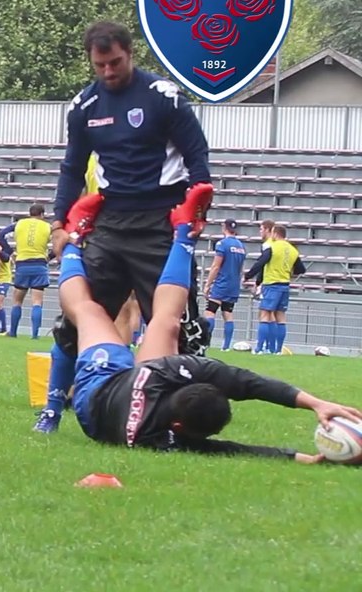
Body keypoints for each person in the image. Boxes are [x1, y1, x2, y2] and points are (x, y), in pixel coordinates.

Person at [63, 188, 359, 461]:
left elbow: (242, 399)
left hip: (98, 393)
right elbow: (232, 431)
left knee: (89, 311)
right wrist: (306, 436)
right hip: (133, 386)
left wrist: (314, 407)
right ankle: (184, 232)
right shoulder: (161, 432)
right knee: (167, 324)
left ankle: (73, 240)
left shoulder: (160, 403)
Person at [51, 21, 213, 352]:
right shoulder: (83, 107)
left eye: (115, 62)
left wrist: (198, 206)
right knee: (78, 315)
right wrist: (58, 223)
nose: (108, 71)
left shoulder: (163, 97)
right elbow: (72, 168)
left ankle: (184, 398)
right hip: (110, 222)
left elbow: (196, 154)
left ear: (130, 53)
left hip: (160, 221)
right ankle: (60, 397)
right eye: (100, 65)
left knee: (178, 326)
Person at [244, 224, 305, 355]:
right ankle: (277, 350)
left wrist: (247, 276)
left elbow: (260, 262)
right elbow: (301, 269)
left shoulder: (272, 247)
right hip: (285, 285)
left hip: (271, 284)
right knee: (280, 317)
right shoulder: (293, 250)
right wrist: (288, 271)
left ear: (275, 234)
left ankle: (259, 349)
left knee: (265, 315)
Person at [0, 204, 52, 339]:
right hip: (40, 264)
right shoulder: (47, 227)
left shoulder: (19, 224)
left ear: (29, 213)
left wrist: (9, 250)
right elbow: (60, 241)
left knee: (17, 301)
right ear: (42, 214)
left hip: (22, 264)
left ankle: (13, 332)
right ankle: (35, 335)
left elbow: (0, 235)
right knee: (37, 301)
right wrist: (50, 256)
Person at [203, 219, 247, 351]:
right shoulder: (241, 246)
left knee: (210, 311)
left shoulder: (222, 244)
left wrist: (208, 284)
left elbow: (216, 266)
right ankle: (226, 346)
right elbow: (241, 268)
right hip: (234, 284)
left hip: (222, 282)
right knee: (227, 312)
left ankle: (206, 343)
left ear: (224, 228)